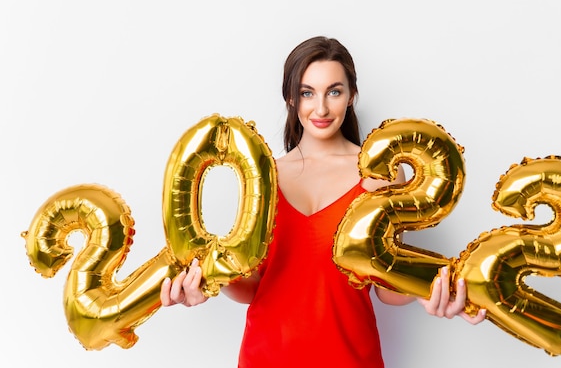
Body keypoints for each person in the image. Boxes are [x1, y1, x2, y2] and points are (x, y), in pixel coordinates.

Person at [160, 36, 486, 367]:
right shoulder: (264, 176)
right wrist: (208, 283)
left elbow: (386, 287)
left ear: (351, 96)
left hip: (350, 358)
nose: (321, 108)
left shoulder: (380, 176)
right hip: (265, 357)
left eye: (334, 91)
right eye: (307, 93)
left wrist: (432, 291)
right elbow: (254, 286)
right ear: (290, 98)